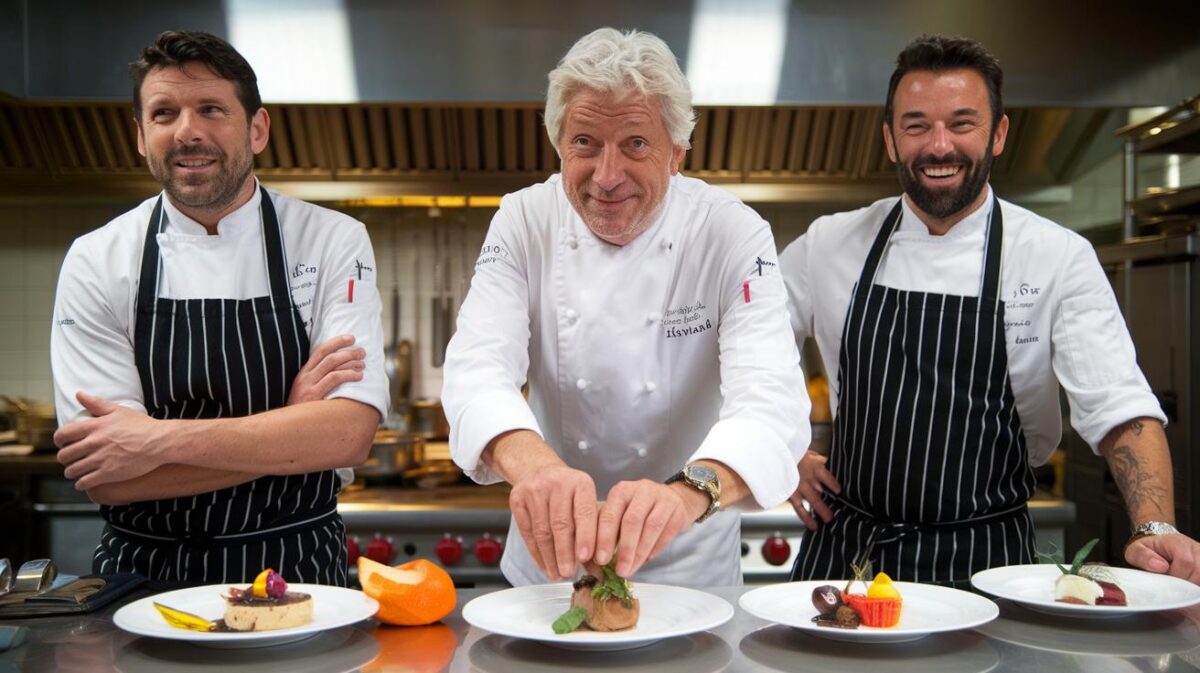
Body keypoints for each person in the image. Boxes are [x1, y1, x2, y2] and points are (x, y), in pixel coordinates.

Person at [781, 34, 1200, 587]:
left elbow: (1120, 405)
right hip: (847, 555)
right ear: (889, 139)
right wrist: (782, 449)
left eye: (961, 123)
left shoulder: (1055, 255)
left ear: (998, 134)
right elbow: (741, 347)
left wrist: (1153, 526)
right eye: (915, 125)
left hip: (989, 563)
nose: (938, 146)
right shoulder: (829, 244)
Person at [442, 28, 810, 587]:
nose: (607, 176)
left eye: (635, 143)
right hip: (552, 566)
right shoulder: (524, 221)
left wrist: (690, 493)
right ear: (560, 145)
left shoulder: (732, 232)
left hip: (692, 570)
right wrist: (537, 469)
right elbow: (477, 372)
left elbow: (771, 405)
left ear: (676, 156)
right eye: (585, 142)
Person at [50, 31, 387, 586]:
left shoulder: (331, 240)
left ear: (257, 129)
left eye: (211, 108)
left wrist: (155, 441)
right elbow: (110, 478)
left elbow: (346, 435)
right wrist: (288, 425)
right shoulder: (97, 259)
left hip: (297, 572)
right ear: (140, 136)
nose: (188, 131)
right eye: (164, 113)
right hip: (144, 580)